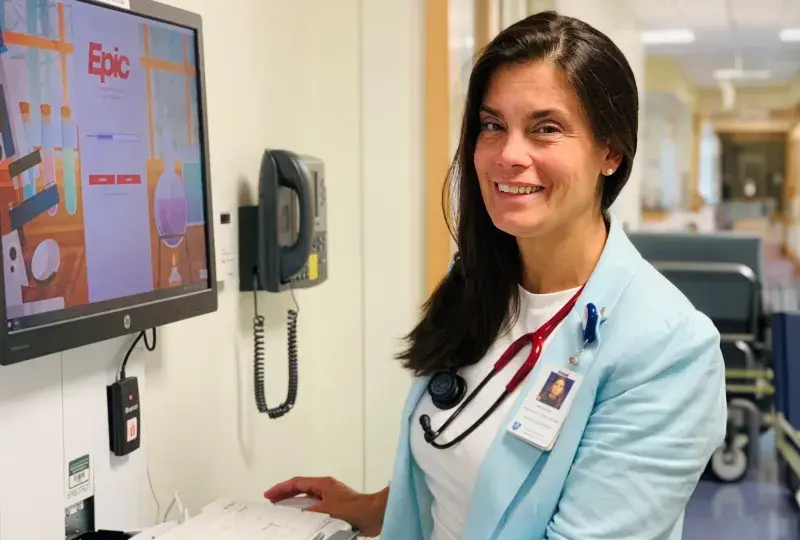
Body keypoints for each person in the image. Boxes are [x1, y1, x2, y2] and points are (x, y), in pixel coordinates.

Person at [265, 11, 727, 540]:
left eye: (545, 129)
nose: (509, 155)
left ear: (611, 151)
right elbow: (473, 480)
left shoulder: (668, 351)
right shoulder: (477, 278)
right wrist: (372, 508)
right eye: (492, 126)